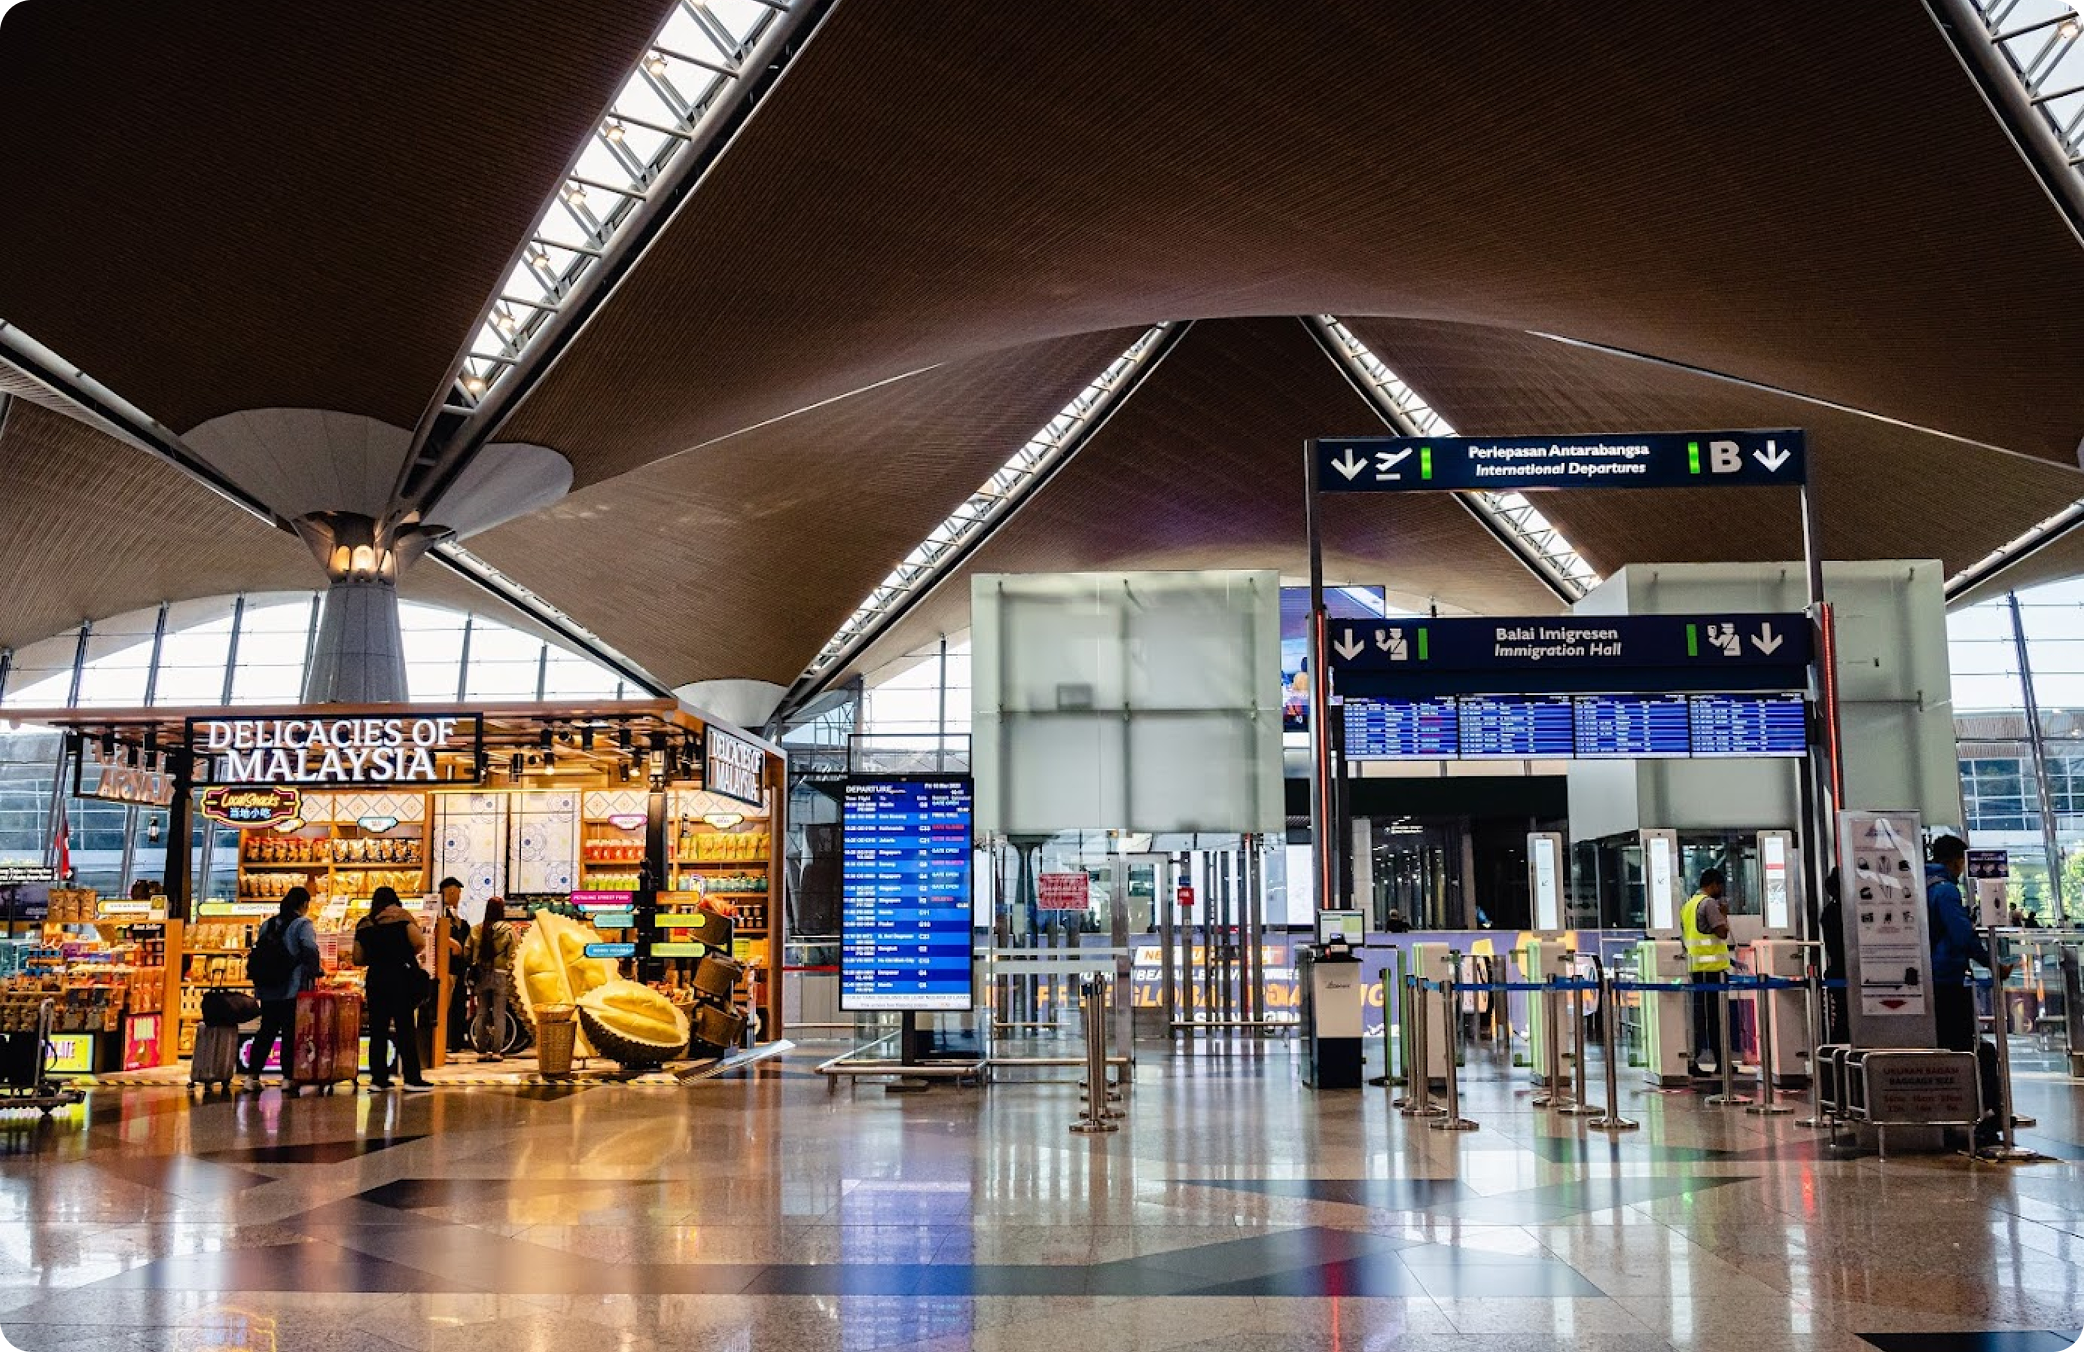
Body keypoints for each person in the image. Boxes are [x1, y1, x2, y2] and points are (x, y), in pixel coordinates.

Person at [1925, 835, 2010, 1148]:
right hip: (1947, 980)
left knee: (1947, 1048)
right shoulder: (1945, 890)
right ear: (1957, 860)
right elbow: (1962, 935)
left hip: (1925, 981)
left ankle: (1948, 1116)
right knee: (1973, 1049)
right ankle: (1988, 1115)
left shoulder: (1919, 885)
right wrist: (1993, 964)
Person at [354, 886, 432, 1091]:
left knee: (377, 1030)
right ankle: (411, 1079)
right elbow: (419, 942)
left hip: (376, 979)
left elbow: (357, 958)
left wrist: (377, 956)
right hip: (400, 978)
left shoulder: (365, 924)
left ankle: (378, 1080)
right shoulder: (402, 918)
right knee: (405, 1028)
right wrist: (402, 953)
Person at [244, 886, 321, 1091]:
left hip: (268, 987)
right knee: (290, 1032)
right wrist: (315, 971)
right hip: (291, 987)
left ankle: (252, 1076)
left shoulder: (267, 925)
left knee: (266, 1030)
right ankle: (288, 1077)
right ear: (304, 904)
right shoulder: (302, 924)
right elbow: (310, 948)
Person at [1681, 867, 1733, 1078]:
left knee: (1698, 1019)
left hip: (1695, 968)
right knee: (1717, 1019)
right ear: (1712, 885)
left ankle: (1694, 1060)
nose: (1720, 890)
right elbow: (1721, 932)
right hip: (1713, 971)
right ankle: (1722, 1063)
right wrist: (1724, 915)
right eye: (1719, 886)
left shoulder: (1688, 905)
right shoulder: (1709, 904)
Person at [468, 897, 517, 1061]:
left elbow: (467, 951)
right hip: (501, 974)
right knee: (499, 1014)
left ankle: (482, 1051)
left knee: (481, 1012)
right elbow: (513, 955)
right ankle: (497, 1051)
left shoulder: (476, 929)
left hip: (481, 973)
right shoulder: (508, 930)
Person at [436, 877, 473, 1054]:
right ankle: (446, 1041)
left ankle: (456, 1041)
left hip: (457, 969)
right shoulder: (437, 912)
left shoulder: (456, 917)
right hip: (446, 969)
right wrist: (451, 943)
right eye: (458, 893)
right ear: (450, 891)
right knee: (447, 1006)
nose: (459, 897)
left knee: (458, 1004)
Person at [1817, 868, 1848, 1046]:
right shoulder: (1845, 914)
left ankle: (1835, 1060)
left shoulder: (1829, 912)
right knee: (1845, 1020)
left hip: (1837, 972)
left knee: (1841, 1019)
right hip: (1847, 973)